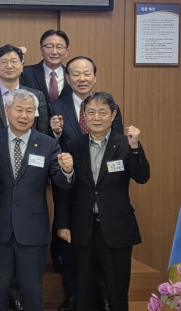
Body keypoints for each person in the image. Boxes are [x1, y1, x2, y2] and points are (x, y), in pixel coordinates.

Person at [55, 92, 150, 311]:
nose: (96, 117)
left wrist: (136, 148)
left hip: (116, 229)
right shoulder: (74, 144)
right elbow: (65, 189)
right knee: (83, 290)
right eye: (91, 112)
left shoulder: (125, 144)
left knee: (117, 291)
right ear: (84, 115)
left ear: (113, 115)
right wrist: (63, 224)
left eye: (102, 112)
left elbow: (142, 176)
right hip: (82, 228)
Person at [0, 89, 74, 311]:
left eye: (29, 111)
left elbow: (61, 183)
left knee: (32, 292)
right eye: (19, 110)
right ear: (7, 111)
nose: (24, 116)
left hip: (32, 231)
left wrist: (67, 171)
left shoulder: (48, 144)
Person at [47, 55, 123, 311]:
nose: (82, 78)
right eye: (76, 74)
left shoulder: (111, 106)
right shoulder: (55, 106)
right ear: (67, 78)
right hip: (71, 185)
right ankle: (73, 296)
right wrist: (55, 133)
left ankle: (103, 297)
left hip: (101, 187)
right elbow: (47, 145)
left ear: (94, 77)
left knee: (102, 245)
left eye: (87, 73)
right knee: (71, 246)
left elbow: (118, 144)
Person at [21, 30, 72, 103]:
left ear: (66, 52)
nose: (54, 52)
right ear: (41, 50)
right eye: (49, 47)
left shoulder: (72, 75)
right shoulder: (25, 73)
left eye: (59, 47)